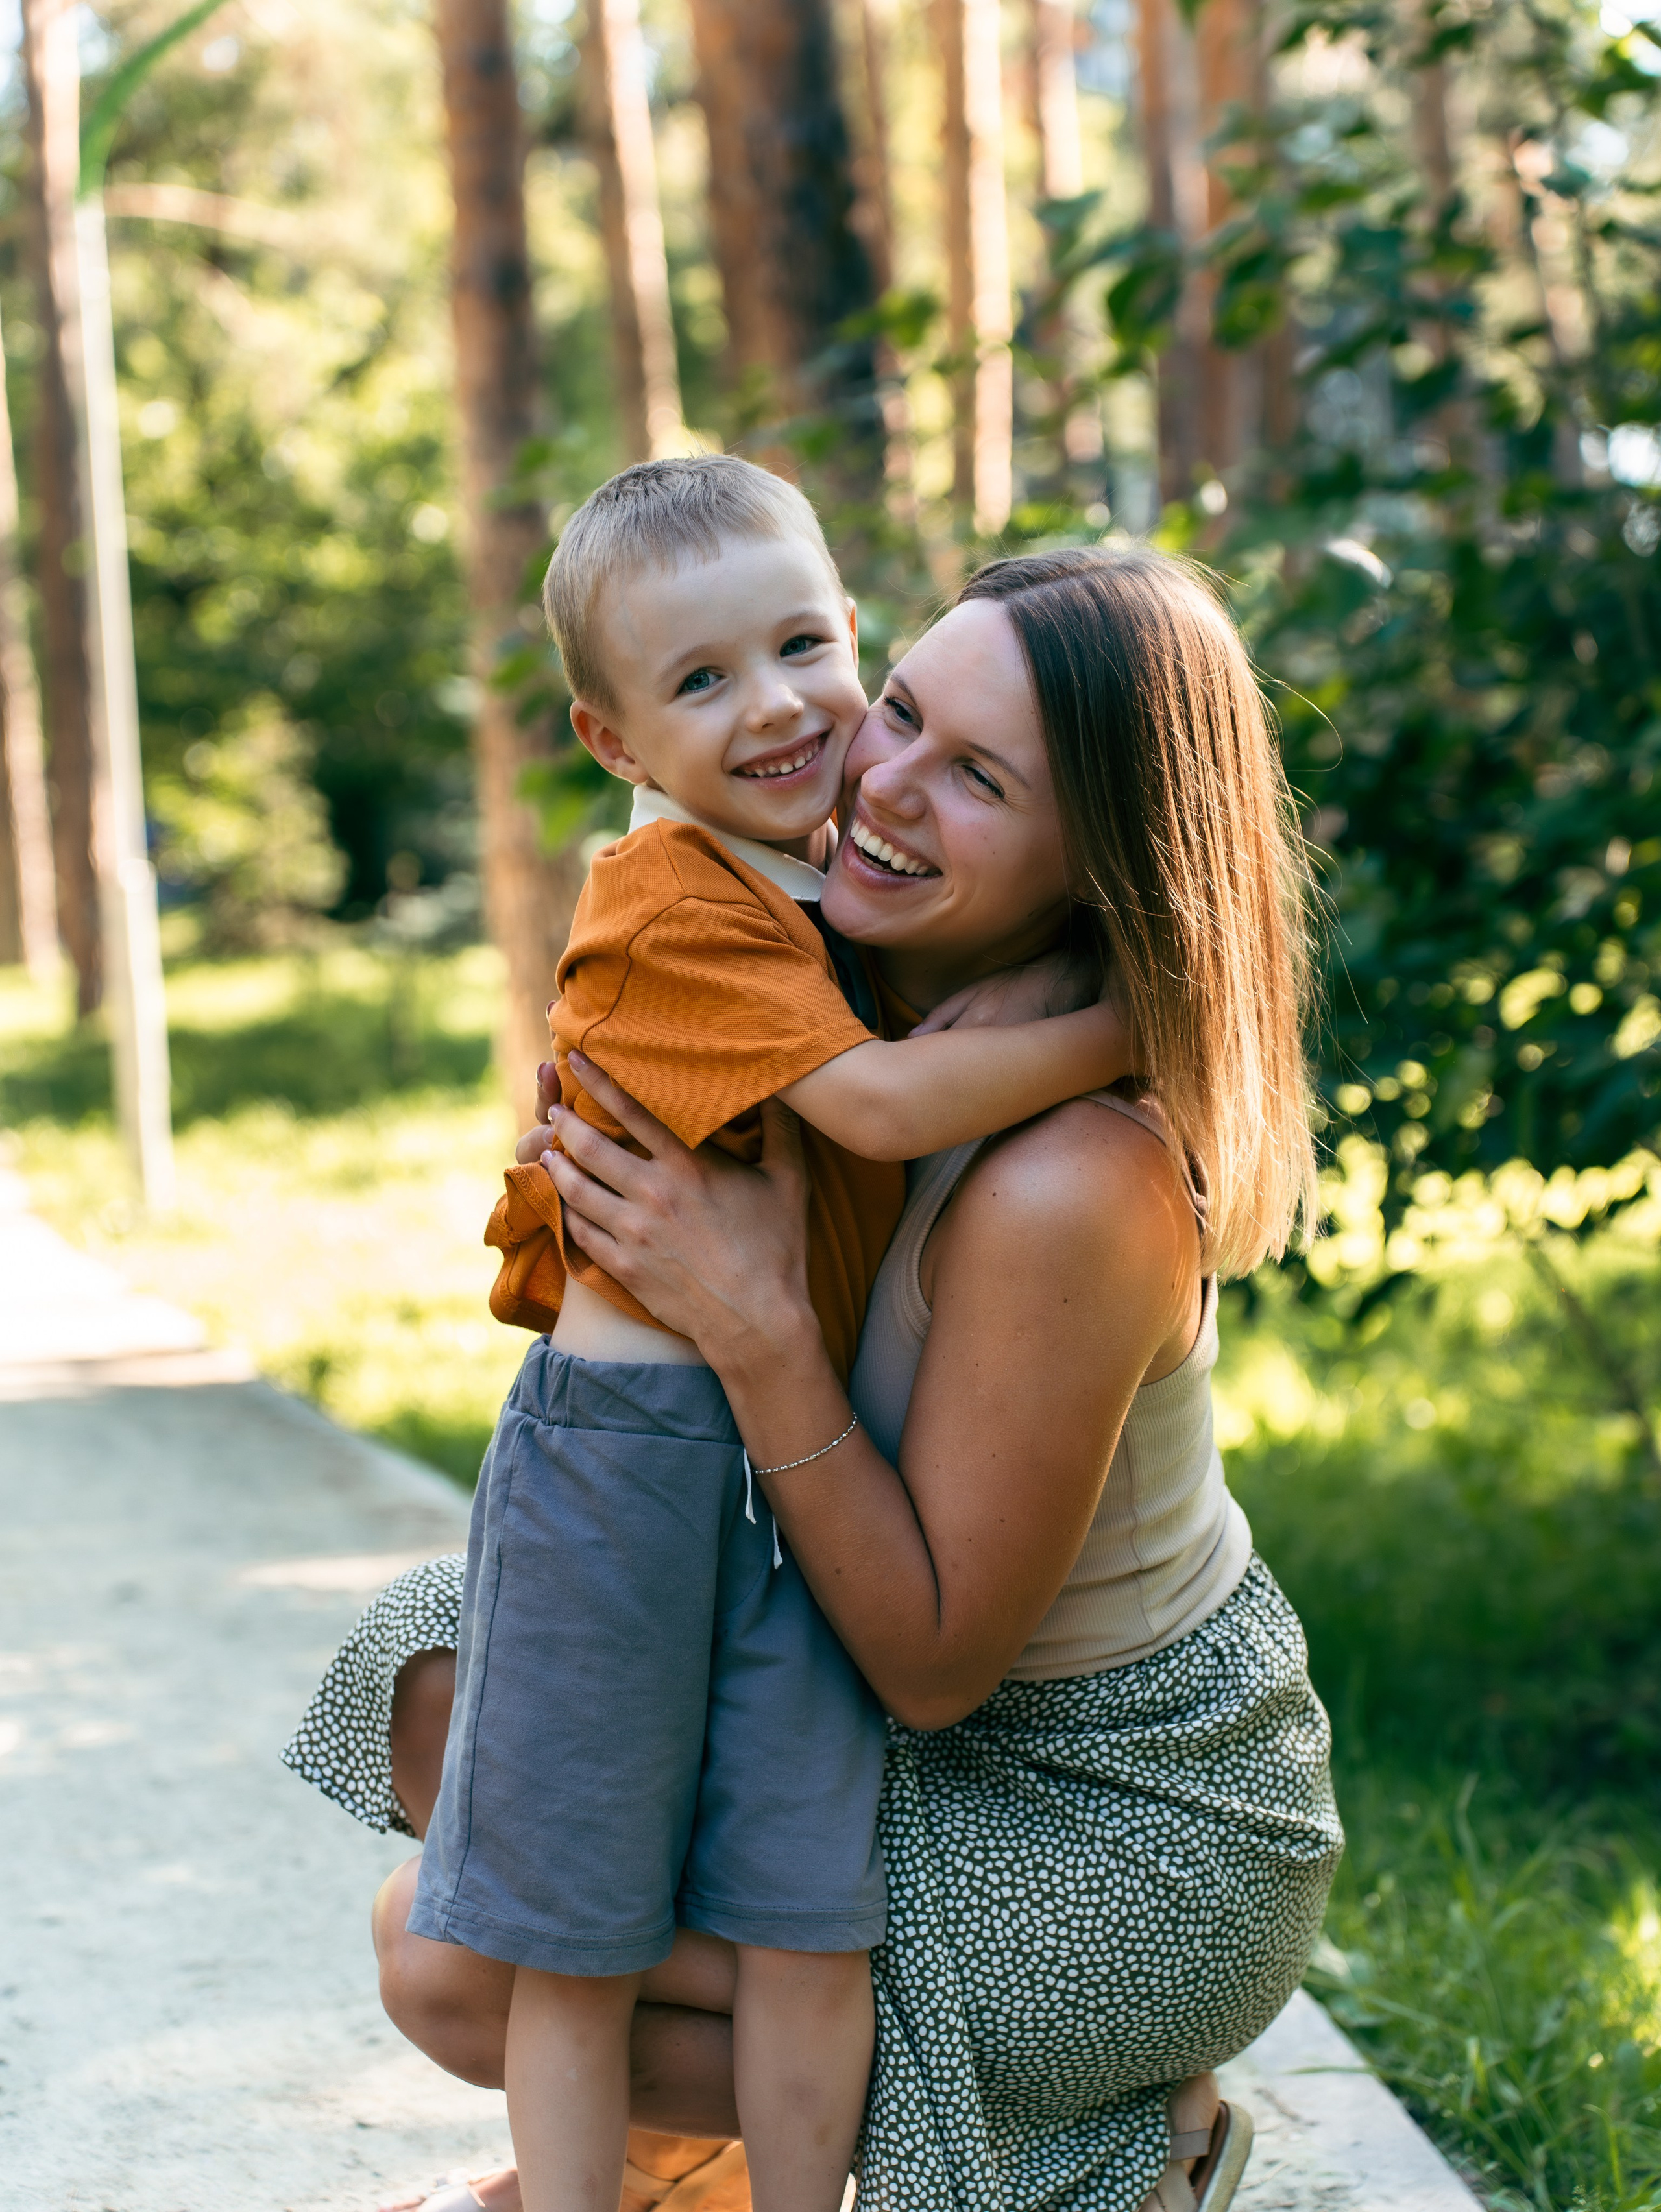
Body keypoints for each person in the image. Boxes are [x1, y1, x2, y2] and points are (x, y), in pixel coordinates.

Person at [286, 542, 1344, 2212]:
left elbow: (931, 1665)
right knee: (439, 1675)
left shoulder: (1070, 1180)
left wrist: (758, 1325)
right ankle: (722, 2166)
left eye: (976, 777)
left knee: (448, 1961)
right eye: (903, 711)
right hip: (887, 1701)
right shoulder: (835, 971)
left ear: (1100, 867)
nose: (881, 784)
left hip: (1119, 1821)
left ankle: (1120, 2136)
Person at [404, 459, 1133, 2212]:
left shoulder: (829, 883)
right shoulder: (676, 898)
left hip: (799, 1477)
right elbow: (879, 1112)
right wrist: (1128, 1027)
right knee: (575, 1932)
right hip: (632, 1471)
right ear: (614, 739)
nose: (779, 705)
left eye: (806, 645)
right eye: (701, 681)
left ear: (857, 635)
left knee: (810, 1911)